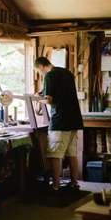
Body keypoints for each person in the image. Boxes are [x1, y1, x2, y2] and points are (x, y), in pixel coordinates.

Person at [34, 57, 83, 191]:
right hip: (74, 119)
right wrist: (43, 93)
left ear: (41, 67)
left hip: (60, 121)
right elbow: (61, 92)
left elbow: (49, 100)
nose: (41, 74)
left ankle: (55, 185)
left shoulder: (49, 75)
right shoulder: (66, 73)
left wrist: (38, 99)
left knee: (55, 154)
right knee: (71, 153)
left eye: (39, 72)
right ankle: (74, 182)